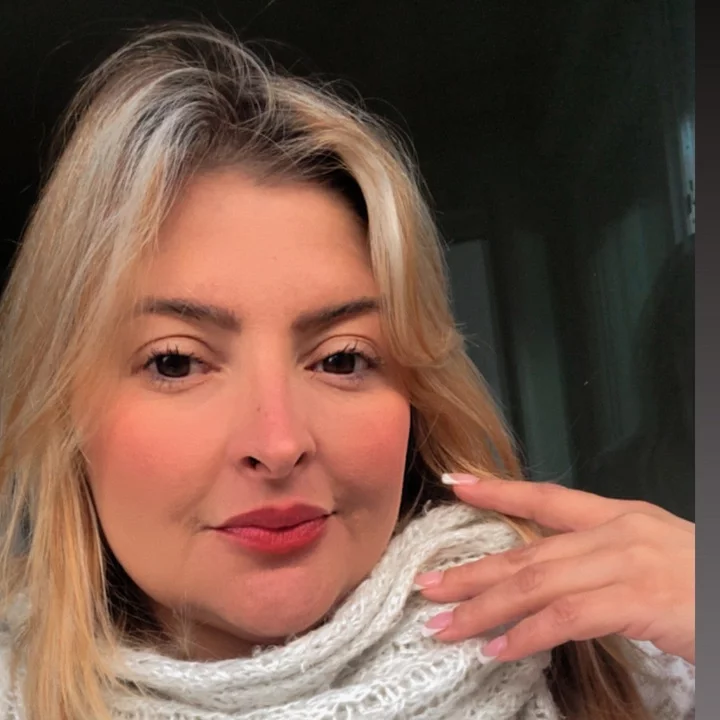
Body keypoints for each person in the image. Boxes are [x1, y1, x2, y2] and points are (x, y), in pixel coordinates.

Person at [0, 23, 694, 720]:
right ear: (67, 408)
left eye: (342, 359)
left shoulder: (615, 660)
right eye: (176, 362)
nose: (278, 444)